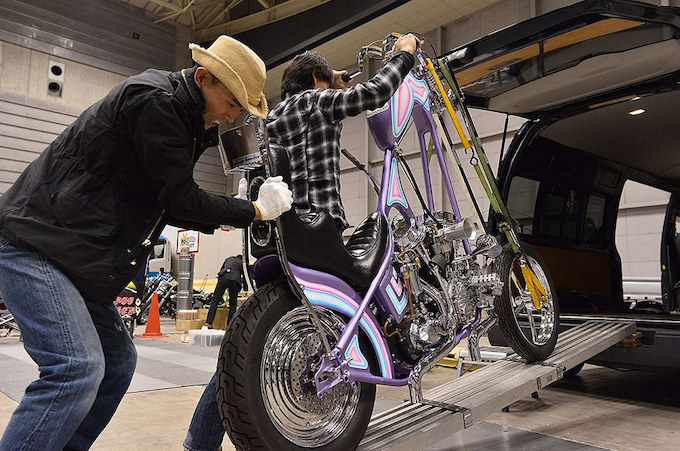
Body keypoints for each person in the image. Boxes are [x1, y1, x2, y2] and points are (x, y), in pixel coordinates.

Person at [0, 35, 292, 451]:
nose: (231, 116)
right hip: (33, 243)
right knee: (76, 368)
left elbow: (166, 205)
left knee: (118, 363)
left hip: (69, 257)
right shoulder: (157, 103)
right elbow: (180, 199)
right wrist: (254, 211)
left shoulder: (185, 121)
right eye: (231, 103)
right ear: (204, 78)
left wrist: (240, 208)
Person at [183, 33, 419, 451]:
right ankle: (402, 345)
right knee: (382, 258)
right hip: (322, 236)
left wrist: (333, 82)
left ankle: (198, 444)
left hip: (279, 241)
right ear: (314, 81)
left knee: (247, 351)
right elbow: (377, 92)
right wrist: (403, 55)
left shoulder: (268, 122)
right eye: (325, 84)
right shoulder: (316, 102)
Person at [205, 254, 247, 328]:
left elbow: (221, 269)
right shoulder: (242, 263)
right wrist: (246, 290)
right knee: (233, 303)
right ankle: (229, 326)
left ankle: (209, 323)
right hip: (235, 280)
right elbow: (245, 277)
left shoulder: (229, 259)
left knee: (215, 300)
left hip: (223, 276)